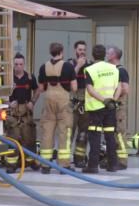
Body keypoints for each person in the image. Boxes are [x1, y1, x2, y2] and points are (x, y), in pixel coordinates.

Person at [36, 42, 76, 173]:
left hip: (48, 101)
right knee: (64, 132)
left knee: (47, 132)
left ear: (50, 52)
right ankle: (63, 165)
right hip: (63, 102)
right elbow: (74, 87)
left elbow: (41, 88)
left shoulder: (43, 67)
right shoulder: (68, 67)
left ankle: (45, 165)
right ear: (62, 52)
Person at [81, 44, 121, 174]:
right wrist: (113, 100)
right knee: (110, 136)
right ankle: (113, 164)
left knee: (95, 136)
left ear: (93, 55)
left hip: (96, 108)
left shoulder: (90, 69)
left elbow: (90, 89)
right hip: (110, 107)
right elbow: (119, 87)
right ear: (104, 55)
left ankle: (93, 166)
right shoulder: (114, 68)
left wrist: (103, 100)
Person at [5, 53, 38, 169]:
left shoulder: (29, 78)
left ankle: (29, 161)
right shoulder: (8, 78)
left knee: (29, 138)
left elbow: (37, 90)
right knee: (13, 138)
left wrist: (32, 102)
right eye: (16, 64)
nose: (18, 67)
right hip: (13, 113)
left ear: (24, 65)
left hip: (26, 113)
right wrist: (9, 103)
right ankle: (11, 164)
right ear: (13, 65)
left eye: (21, 64)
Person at [65, 41, 92, 166]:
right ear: (75, 50)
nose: (82, 52)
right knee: (69, 132)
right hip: (72, 102)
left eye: (84, 49)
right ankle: (65, 160)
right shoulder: (70, 64)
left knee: (83, 133)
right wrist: (78, 66)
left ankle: (79, 158)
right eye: (80, 49)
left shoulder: (90, 64)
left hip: (85, 103)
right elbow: (67, 81)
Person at [106, 45, 129, 170]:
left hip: (118, 107)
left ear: (114, 55)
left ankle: (122, 161)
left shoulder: (121, 70)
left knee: (119, 133)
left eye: (108, 53)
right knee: (111, 134)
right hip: (110, 106)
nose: (106, 55)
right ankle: (112, 158)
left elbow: (125, 89)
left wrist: (114, 96)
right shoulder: (110, 70)